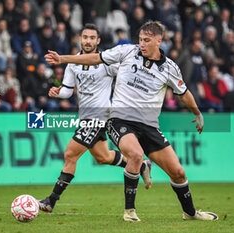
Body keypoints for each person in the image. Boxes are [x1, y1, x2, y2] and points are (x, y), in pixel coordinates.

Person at [45, 20, 218, 221]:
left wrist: (197, 113)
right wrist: (63, 59)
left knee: (178, 172)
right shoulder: (126, 52)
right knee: (135, 154)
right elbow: (96, 58)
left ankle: (190, 213)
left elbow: (183, 92)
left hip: (150, 127)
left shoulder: (170, 68)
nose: (142, 44)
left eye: (146, 40)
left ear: (159, 41)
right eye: (140, 40)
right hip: (119, 121)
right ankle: (129, 211)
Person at [39, 24, 152, 213]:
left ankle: (51, 201)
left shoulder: (106, 62)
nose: (88, 41)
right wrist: (57, 92)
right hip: (85, 117)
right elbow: (68, 91)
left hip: (100, 115)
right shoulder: (73, 63)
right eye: (85, 37)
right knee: (103, 157)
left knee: (70, 155)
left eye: (92, 38)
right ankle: (141, 165)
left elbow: (127, 74)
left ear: (98, 41)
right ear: (80, 39)